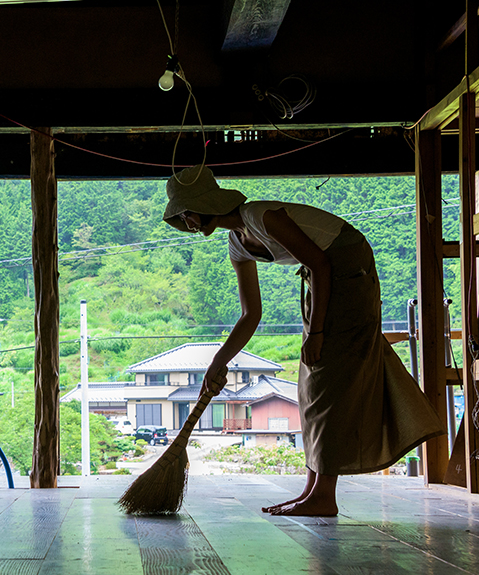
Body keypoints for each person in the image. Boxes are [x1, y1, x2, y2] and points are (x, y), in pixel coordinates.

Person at [162, 165, 446, 516]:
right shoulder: (237, 243)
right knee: (311, 387)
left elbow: (321, 264)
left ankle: (324, 495)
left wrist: (317, 331)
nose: (187, 222)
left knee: (328, 384)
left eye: (187, 213)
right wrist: (219, 361)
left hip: (348, 269)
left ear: (204, 204)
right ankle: (313, 489)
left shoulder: (260, 216)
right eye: (181, 217)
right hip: (321, 281)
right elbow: (251, 313)